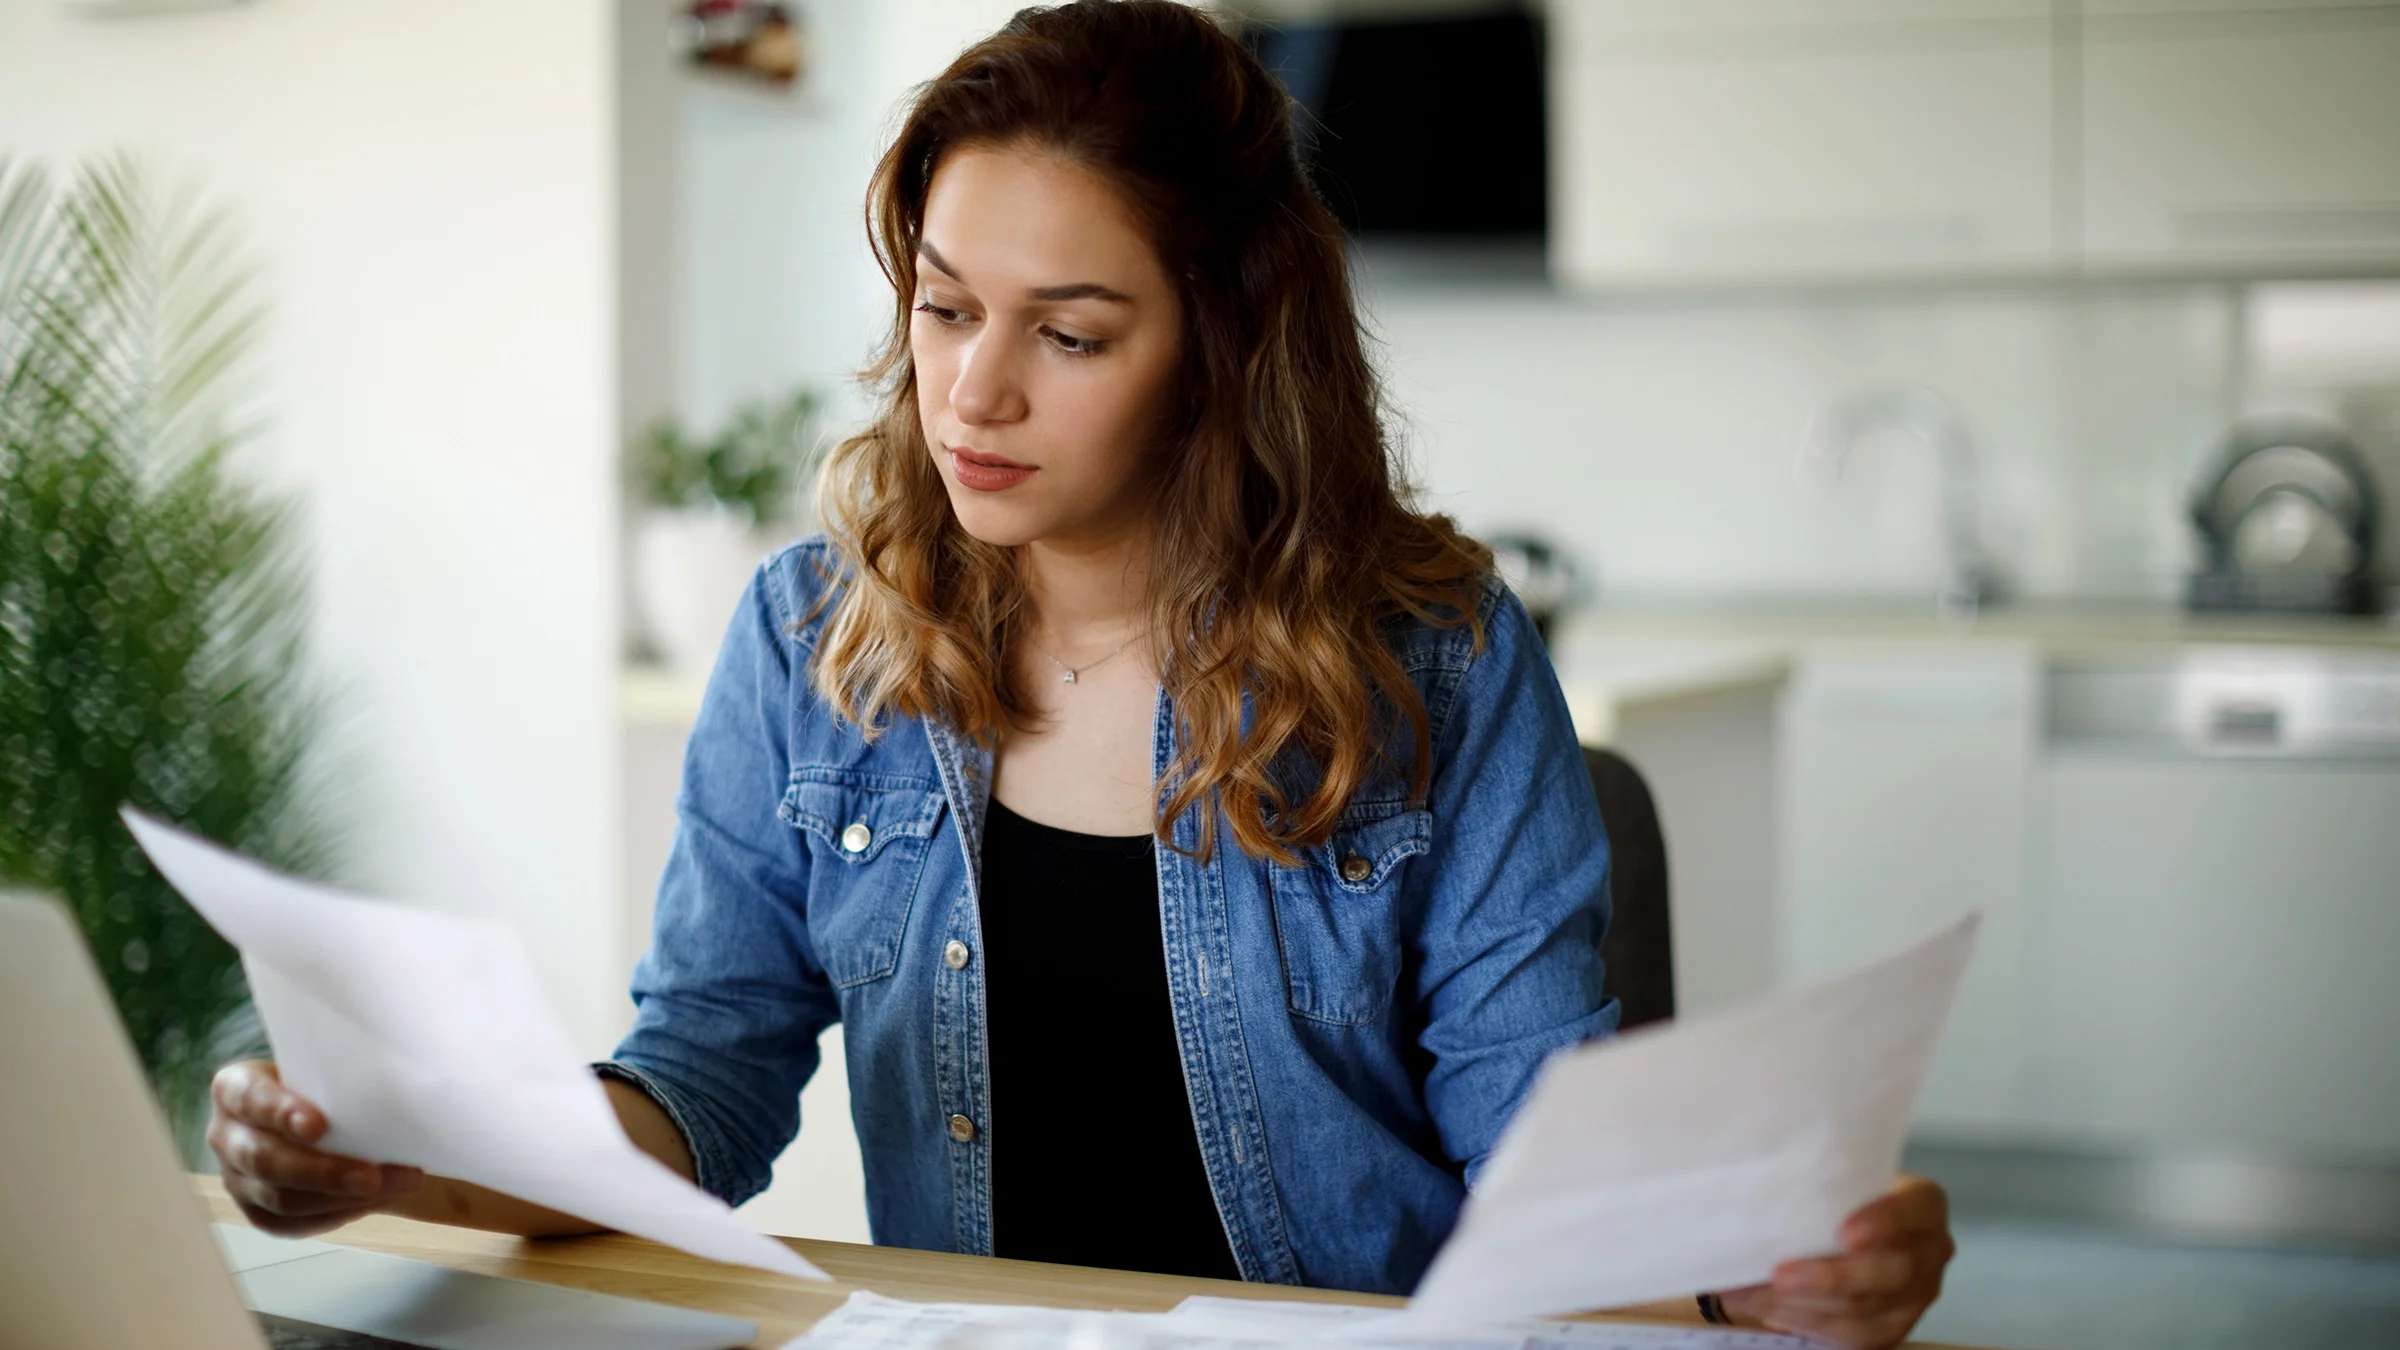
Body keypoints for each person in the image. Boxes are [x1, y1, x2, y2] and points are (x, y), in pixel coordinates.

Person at [204, 3, 1955, 1344]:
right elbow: (704, 1076)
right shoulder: (813, 643)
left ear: (1224, 348)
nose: (973, 392)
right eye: (947, 306)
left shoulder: (1438, 661)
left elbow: (1545, 1151)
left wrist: (1754, 1281)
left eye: (1070, 333)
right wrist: (419, 1160)